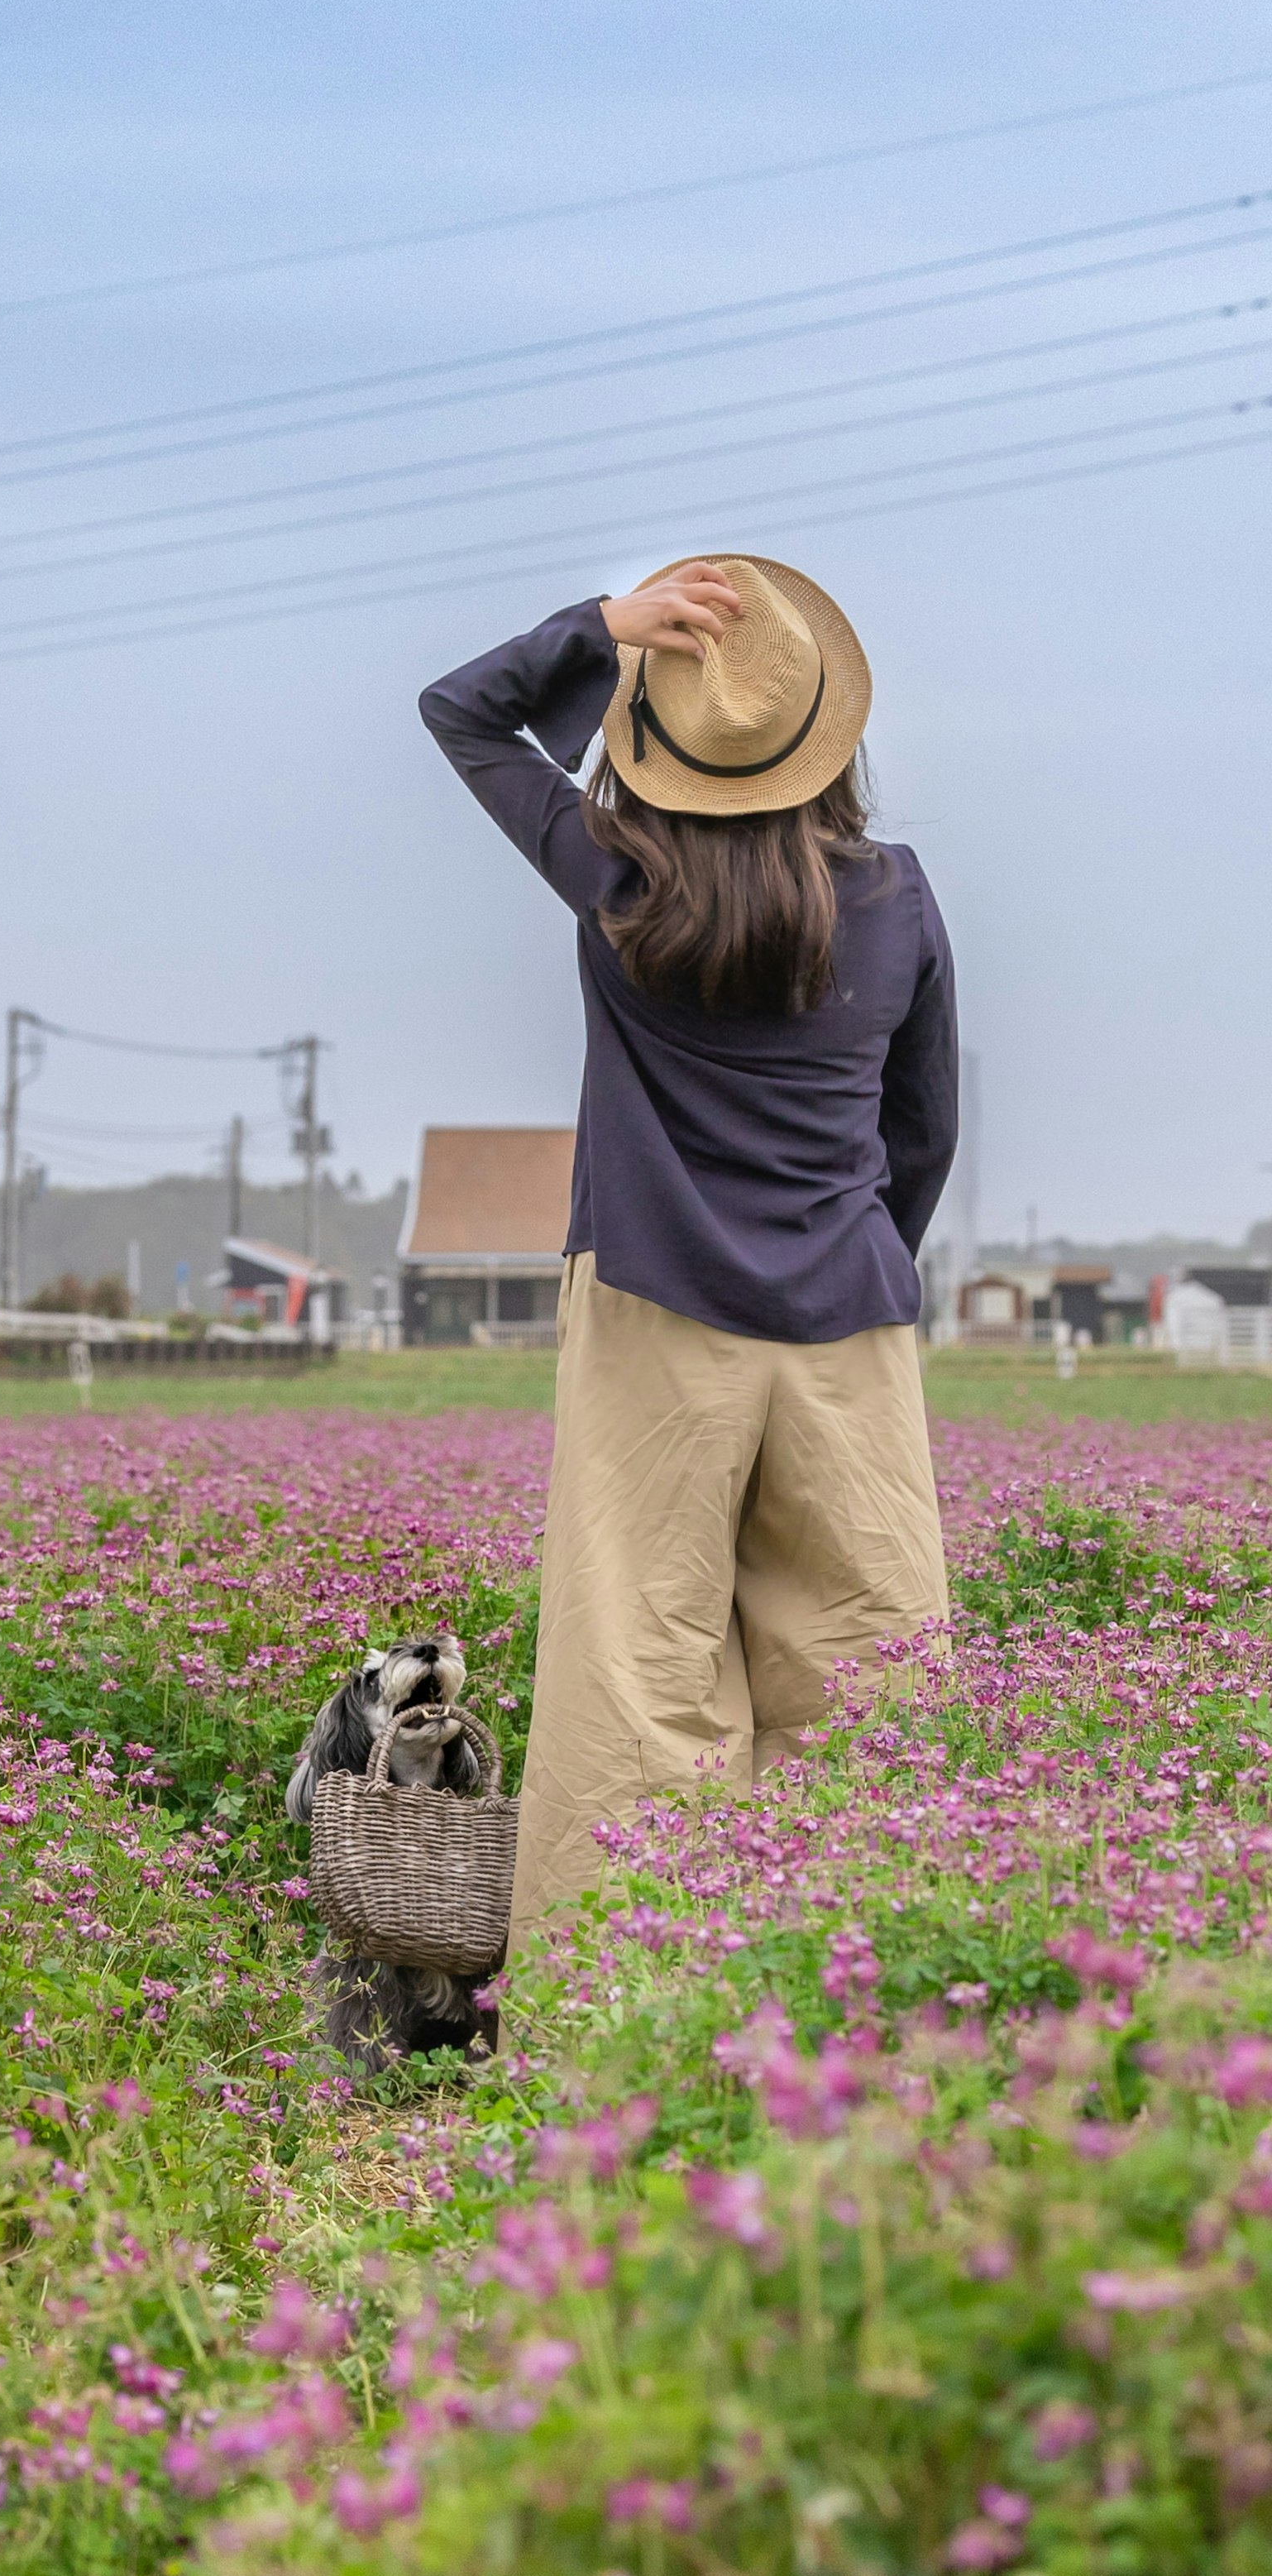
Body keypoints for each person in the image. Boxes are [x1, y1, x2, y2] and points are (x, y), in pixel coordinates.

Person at [419, 554, 957, 1952]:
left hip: (655, 1312)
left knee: (639, 1680)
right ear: (824, 735)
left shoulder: (619, 877)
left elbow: (464, 712)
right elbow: (925, 1126)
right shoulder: (894, 896)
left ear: (657, 744)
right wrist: (850, 1261)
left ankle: (620, 2030)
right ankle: (869, 2014)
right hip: (850, 1322)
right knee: (869, 1673)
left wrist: (602, 629)